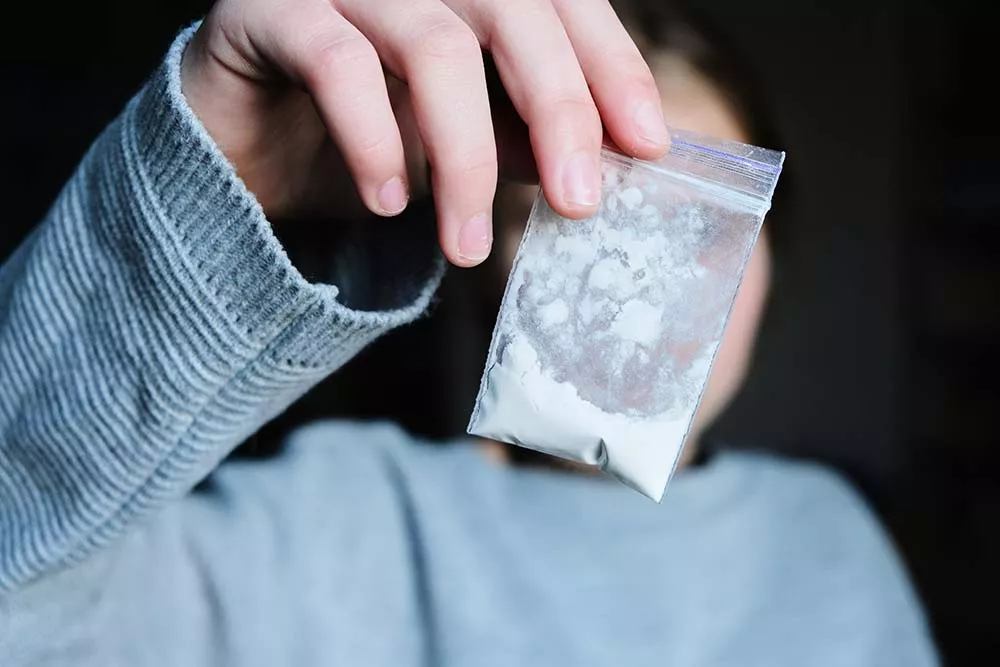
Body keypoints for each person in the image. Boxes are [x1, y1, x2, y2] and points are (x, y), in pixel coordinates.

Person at [0, 0, 937, 665]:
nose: (636, 289)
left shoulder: (830, 539)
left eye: (700, 230)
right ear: (485, 248)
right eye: (571, 217)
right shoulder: (341, 523)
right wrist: (204, 184)